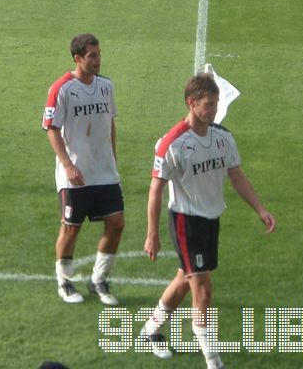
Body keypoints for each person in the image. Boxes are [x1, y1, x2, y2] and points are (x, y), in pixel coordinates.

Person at [140, 73, 276, 368]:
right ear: (191, 103)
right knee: (203, 289)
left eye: (215, 103)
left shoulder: (222, 137)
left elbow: (236, 174)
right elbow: (155, 190)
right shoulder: (172, 143)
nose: (214, 109)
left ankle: (150, 329)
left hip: (211, 219)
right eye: (208, 104)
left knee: (183, 280)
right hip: (186, 223)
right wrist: (152, 233)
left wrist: (260, 209)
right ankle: (213, 361)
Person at [42, 33, 124, 305]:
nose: (98, 59)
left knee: (116, 223)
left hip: (104, 171)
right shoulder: (62, 89)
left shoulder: (106, 86)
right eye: (92, 55)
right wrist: (67, 165)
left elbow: (109, 123)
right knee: (70, 229)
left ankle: (98, 279)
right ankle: (64, 281)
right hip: (75, 174)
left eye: (99, 53)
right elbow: (51, 128)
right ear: (77, 58)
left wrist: (113, 157)